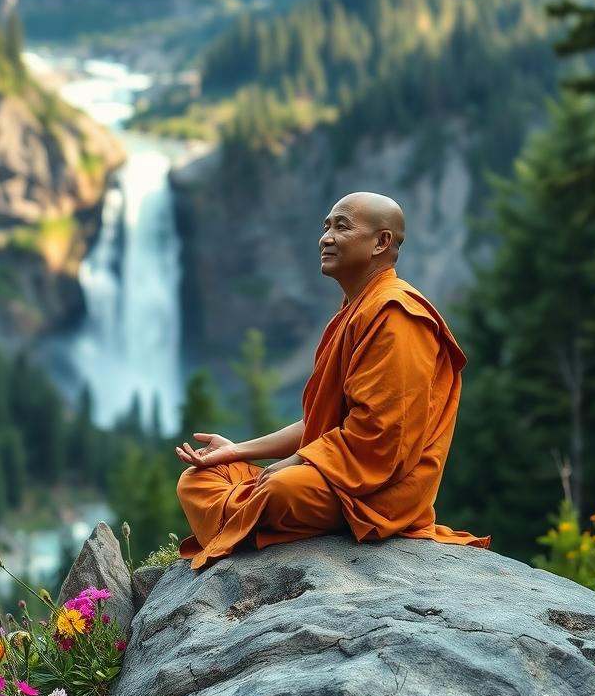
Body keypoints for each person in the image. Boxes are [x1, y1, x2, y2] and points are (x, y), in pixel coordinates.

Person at [175, 191, 490, 571]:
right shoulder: (354, 311)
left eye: (342, 226)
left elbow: (381, 436)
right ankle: (250, 518)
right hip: (332, 474)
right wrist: (238, 451)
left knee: (279, 489)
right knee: (198, 478)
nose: (325, 237)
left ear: (381, 242)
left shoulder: (398, 315)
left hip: (376, 492)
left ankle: (242, 519)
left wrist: (295, 463)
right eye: (325, 227)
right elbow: (321, 424)